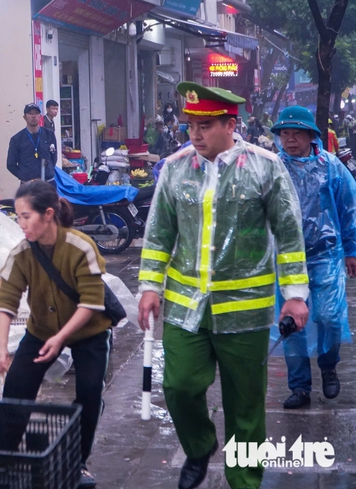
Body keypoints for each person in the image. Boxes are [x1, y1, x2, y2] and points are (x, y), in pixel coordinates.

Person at [138, 82, 309, 489]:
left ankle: (245, 482)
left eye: (206, 125)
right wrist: (149, 285)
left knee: (245, 407)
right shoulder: (176, 168)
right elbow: (159, 233)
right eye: (191, 125)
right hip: (185, 308)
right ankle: (199, 447)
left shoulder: (266, 167)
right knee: (178, 386)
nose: (195, 134)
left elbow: (289, 234)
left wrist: (295, 296)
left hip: (246, 312)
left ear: (230, 125)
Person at [0, 181, 112, 489]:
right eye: (18, 217)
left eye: (26, 216)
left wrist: (61, 339)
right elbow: (6, 301)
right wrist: (1, 347)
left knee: (88, 391)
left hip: (89, 333)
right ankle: (2, 463)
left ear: (47, 215)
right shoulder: (21, 254)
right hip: (41, 330)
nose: (21, 224)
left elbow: (92, 303)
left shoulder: (81, 247)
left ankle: (78, 462)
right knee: (16, 385)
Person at [270, 106, 356, 409]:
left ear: (310, 135)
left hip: (326, 254)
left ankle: (329, 365)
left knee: (330, 317)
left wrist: (352, 249)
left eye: (296, 133)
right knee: (292, 322)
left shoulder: (331, 166)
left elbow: (349, 208)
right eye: (284, 133)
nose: (290, 139)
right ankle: (300, 386)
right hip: (287, 257)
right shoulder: (273, 167)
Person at [7, 103, 58, 188]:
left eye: (36, 113)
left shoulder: (49, 135)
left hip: (48, 183)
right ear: (24, 117)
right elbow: (10, 164)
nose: (33, 116)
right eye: (30, 113)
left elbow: (54, 157)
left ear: (40, 116)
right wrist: (23, 175)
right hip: (27, 184)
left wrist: (49, 170)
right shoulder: (17, 139)